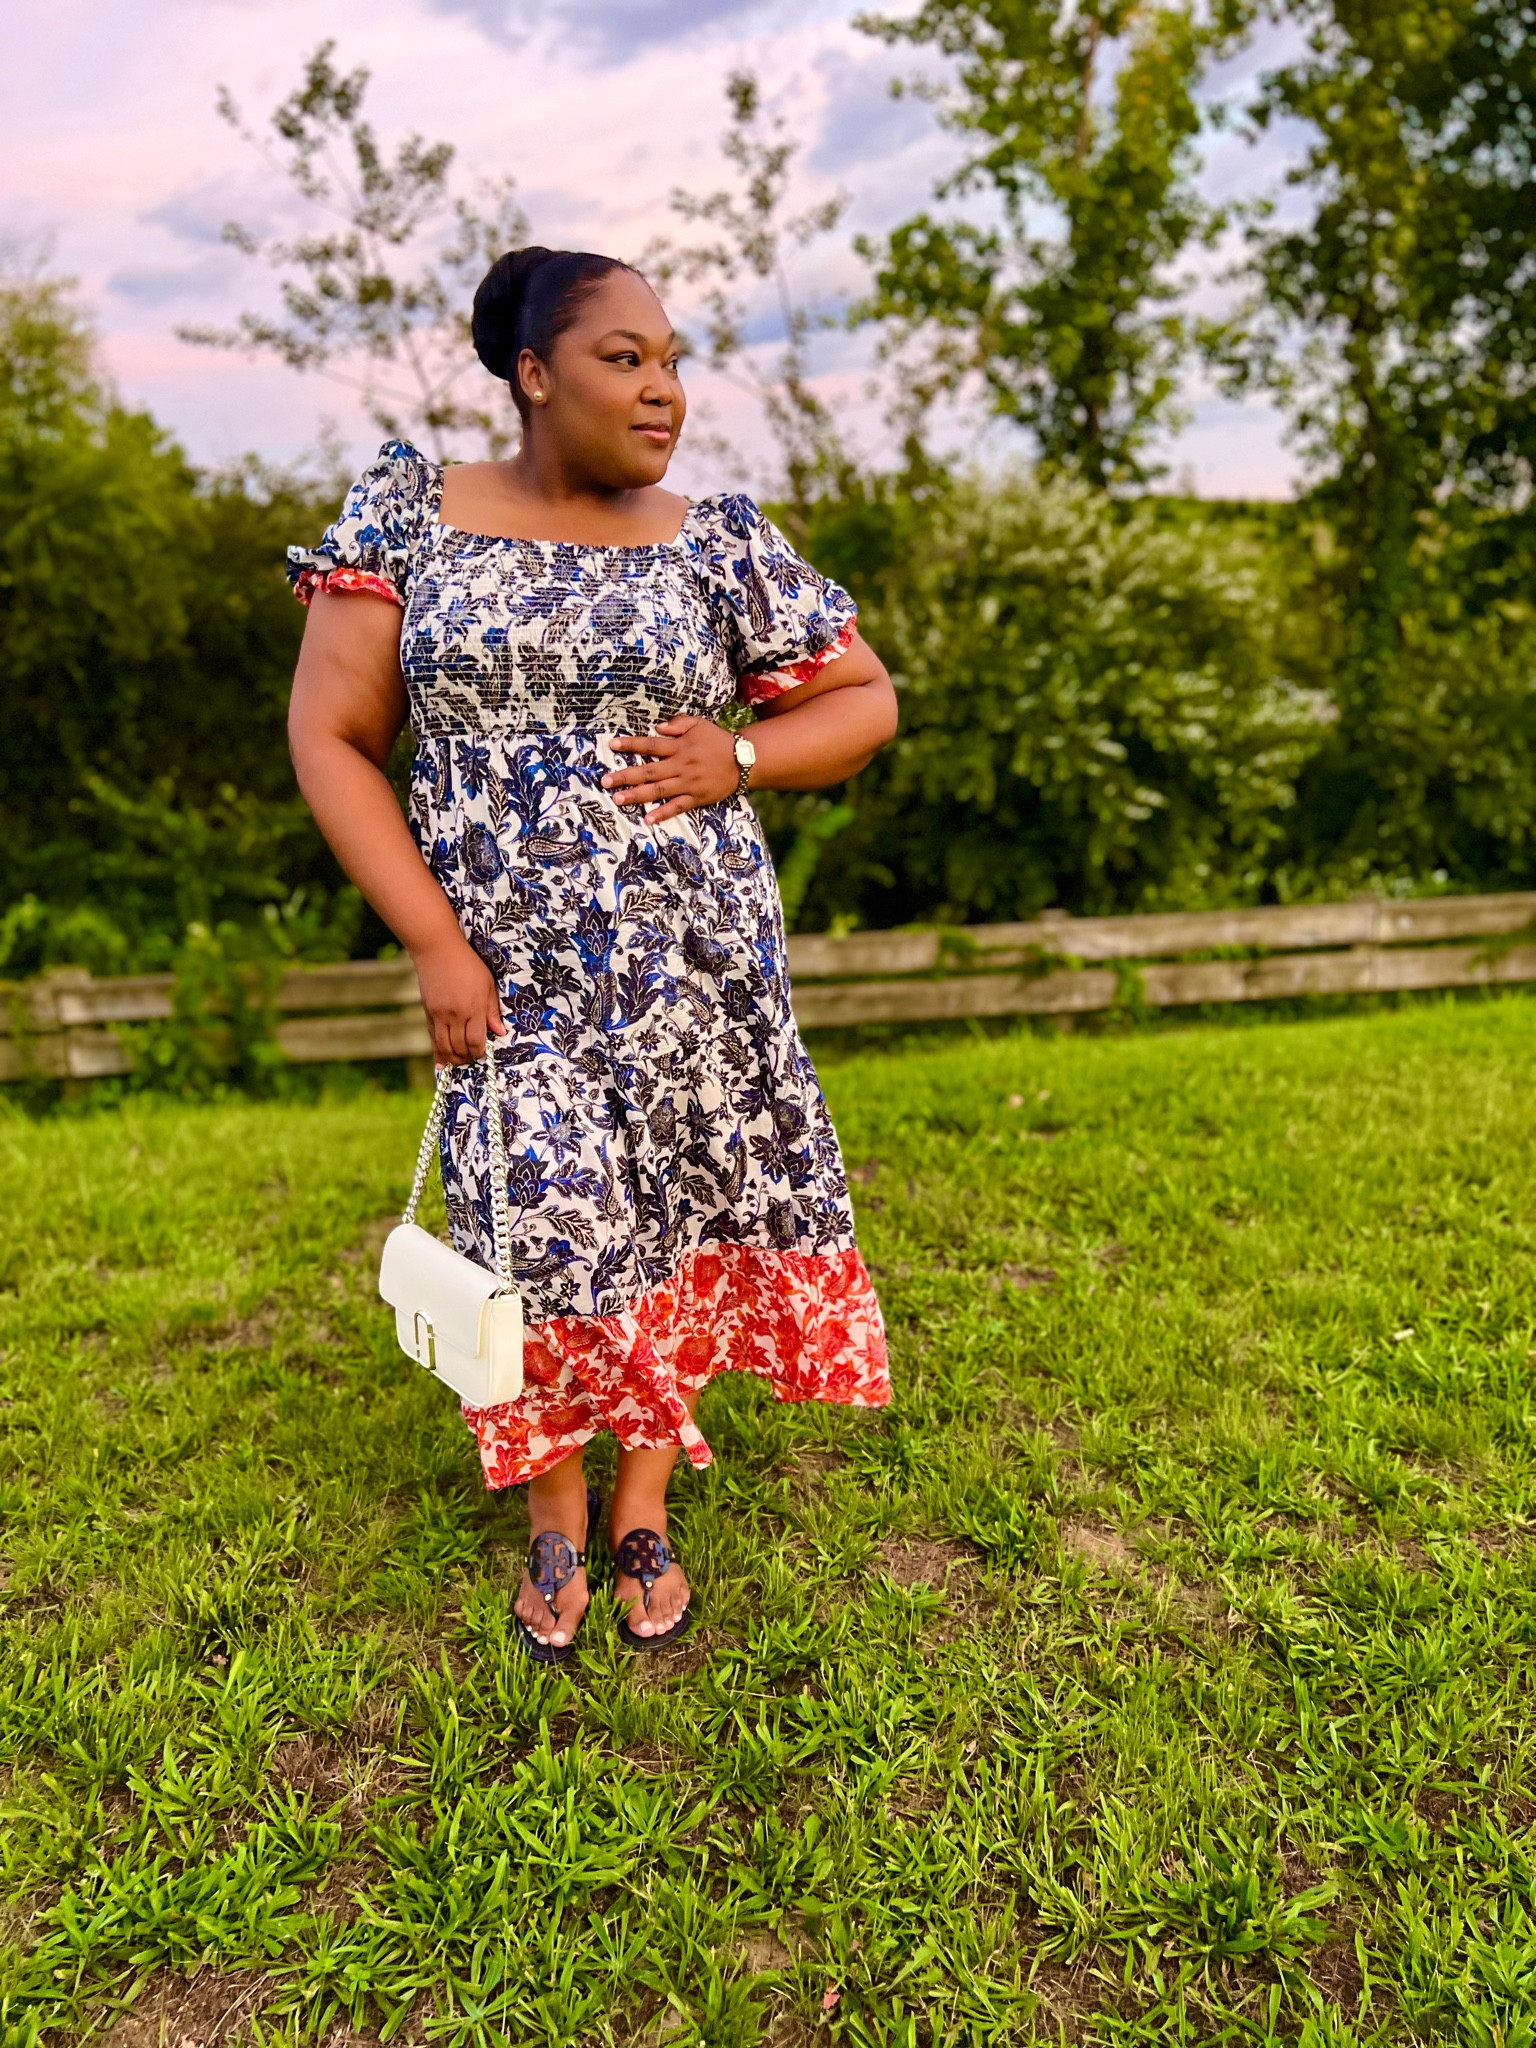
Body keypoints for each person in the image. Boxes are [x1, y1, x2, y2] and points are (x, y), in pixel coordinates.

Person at [286, 246, 895, 1661]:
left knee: (668, 1219)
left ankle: (642, 1504)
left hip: (695, 969)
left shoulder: (715, 539)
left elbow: (864, 702)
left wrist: (742, 753)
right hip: (507, 968)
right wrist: (435, 939)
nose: (664, 389)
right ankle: (551, 1507)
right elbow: (331, 738)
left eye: (674, 361)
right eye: (626, 358)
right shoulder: (410, 517)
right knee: (535, 1232)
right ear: (535, 373)